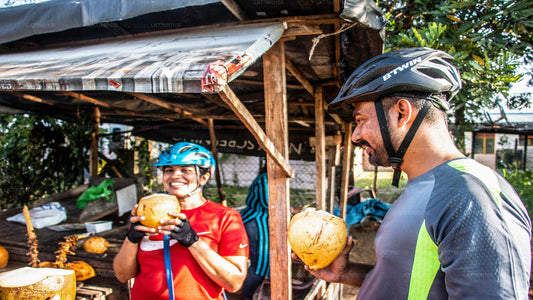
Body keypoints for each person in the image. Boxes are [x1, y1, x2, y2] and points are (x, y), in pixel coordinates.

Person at [296, 47, 532, 299]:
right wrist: (345, 273)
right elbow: (408, 283)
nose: (355, 136)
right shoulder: (426, 186)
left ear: (401, 112)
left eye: (361, 120)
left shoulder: (471, 195)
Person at [113, 142, 249, 300]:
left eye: (186, 170)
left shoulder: (225, 217)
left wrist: (193, 241)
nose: (175, 176)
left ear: (203, 178)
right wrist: (132, 238)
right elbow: (122, 275)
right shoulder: (146, 214)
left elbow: (234, 282)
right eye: (169, 170)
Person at [239, 168, 269, 300]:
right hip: (256, 221)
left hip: (258, 220)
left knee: (259, 262)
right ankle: (246, 296)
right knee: (260, 263)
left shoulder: (266, 178)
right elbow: (268, 203)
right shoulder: (265, 179)